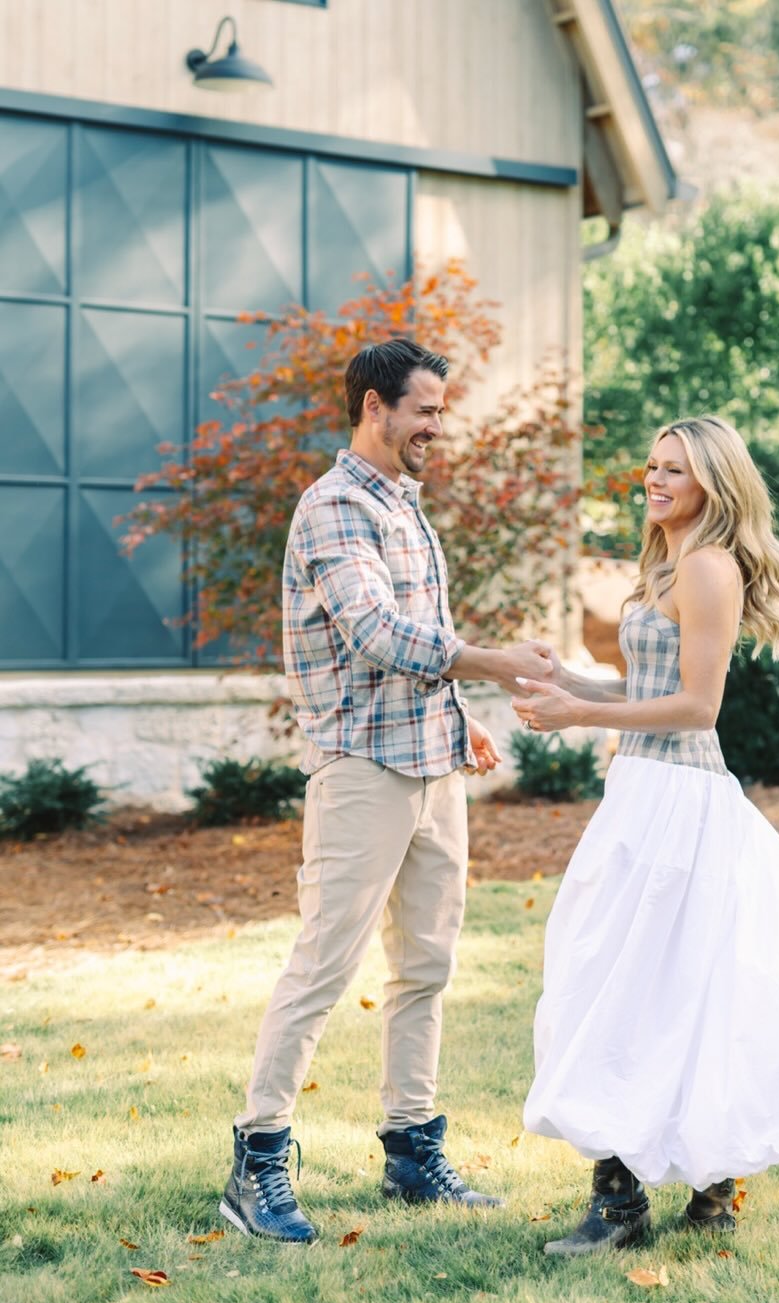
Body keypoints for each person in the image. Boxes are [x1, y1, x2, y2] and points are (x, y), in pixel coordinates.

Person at [511, 415, 779, 1257]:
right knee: (618, 977)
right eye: (651, 466)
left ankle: (644, 1201)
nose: (655, 479)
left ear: (713, 483)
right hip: (639, 792)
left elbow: (696, 708)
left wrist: (577, 715)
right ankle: (662, 1192)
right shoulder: (665, 566)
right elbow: (645, 684)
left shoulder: (710, 567)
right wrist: (561, 681)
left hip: (681, 797)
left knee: (658, 985)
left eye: (674, 469)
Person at [221, 339, 555, 1244]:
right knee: (323, 969)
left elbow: (421, 641)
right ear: (375, 407)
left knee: (427, 971)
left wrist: (463, 712)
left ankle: (412, 1152)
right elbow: (377, 633)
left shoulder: (405, 509)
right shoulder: (332, 508)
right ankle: (256, 1164)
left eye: (441, 412)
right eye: (426, 411)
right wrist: (491, 662)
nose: (437, 429)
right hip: (362, 777)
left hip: (433, 766)